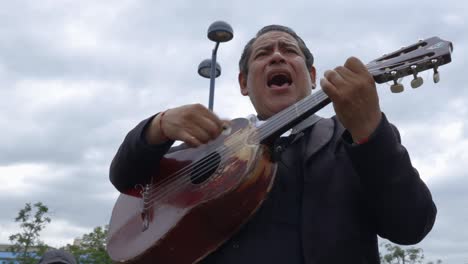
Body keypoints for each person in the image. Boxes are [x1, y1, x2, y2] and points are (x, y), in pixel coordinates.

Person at [109, 25, 436, 263]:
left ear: (310, 75)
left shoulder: (353, 135)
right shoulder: (214, 143)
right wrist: (157, 126)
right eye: (263, 54)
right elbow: (126, 178)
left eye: (289, 50)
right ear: (243, 83)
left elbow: (411, 225)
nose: (277, 56)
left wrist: (370, 131)